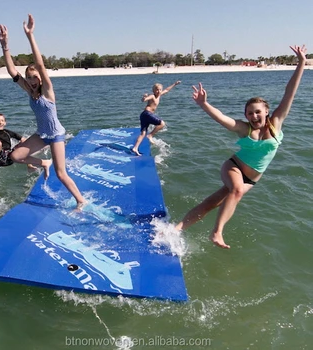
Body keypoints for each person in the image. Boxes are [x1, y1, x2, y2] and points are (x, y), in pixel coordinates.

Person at [175, 45, 306, 249]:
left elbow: (290, 92)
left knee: (213, 203)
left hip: (251, 180)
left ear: (266, 112)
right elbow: (223, 119)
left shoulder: (277, 122)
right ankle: (217, 233)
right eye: (250, 113)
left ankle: (176, 229)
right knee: (235, 190)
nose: (254, 116)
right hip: (234, 167)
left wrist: (301, 63)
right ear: (246, 116)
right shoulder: (244, 129)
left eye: (257, 112)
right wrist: (204, 105)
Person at [0, 14, 86, 210]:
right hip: (42, 134)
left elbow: (41, 65)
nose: (31, 80)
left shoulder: (47, 91)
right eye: (29, 77)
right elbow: (12, 71)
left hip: (55, 135)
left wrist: (30, 35)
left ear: (40, 77)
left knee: (61, 173)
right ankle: (43, 162)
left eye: (34, 77)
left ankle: (81, 201)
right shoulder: (30, 91)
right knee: (15, 156)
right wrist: (5, 46)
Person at [131, 80, 181, 156]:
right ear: (153, 90)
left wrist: (174, 84)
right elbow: (144, 100)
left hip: (144, 115)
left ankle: (135, 148)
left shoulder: (159, 95)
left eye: (160, 89)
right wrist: (144, 97)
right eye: (157, 89)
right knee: (162, 123)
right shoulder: (152, 96)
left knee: (143, 133)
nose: (158, 91)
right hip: (147, 114)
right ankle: (150, 135)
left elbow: (167, 90)